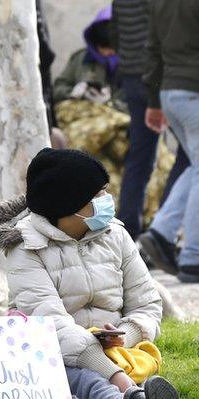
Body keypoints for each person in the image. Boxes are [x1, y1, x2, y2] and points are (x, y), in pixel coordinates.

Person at [0, 148, 198, 399]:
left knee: (129, 370)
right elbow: (51, 325)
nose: (106, 200)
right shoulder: (24, 249)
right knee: (89, 383)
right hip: (60, 355)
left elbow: (146, 302)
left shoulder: (117, 234)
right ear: (68, 206)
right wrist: (114, 374)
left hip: (120, 348)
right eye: (97, 195)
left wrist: (123, 337)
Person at [112, 0, 191, 239]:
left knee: (140, 155)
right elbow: (162, 37)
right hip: (159, 77)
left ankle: (129, 229)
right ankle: (161, 230)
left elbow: (115, 35)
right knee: (188, 155)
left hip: (131, 76)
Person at [136, 0, 199, 282]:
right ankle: (193, 257)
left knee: (196, 166)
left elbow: (152, 49)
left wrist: (154, 100)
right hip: (193, 91)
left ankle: (161, 233)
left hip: (172, 92)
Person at [53, 7, 119, 106]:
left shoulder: (136, 63)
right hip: (84, 117)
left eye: (112, 48)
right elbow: (57, 90)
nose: (107, 53)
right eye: (103, 47)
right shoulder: (81, 58)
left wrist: (112, 102)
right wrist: (74, 92)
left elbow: (142, 100)